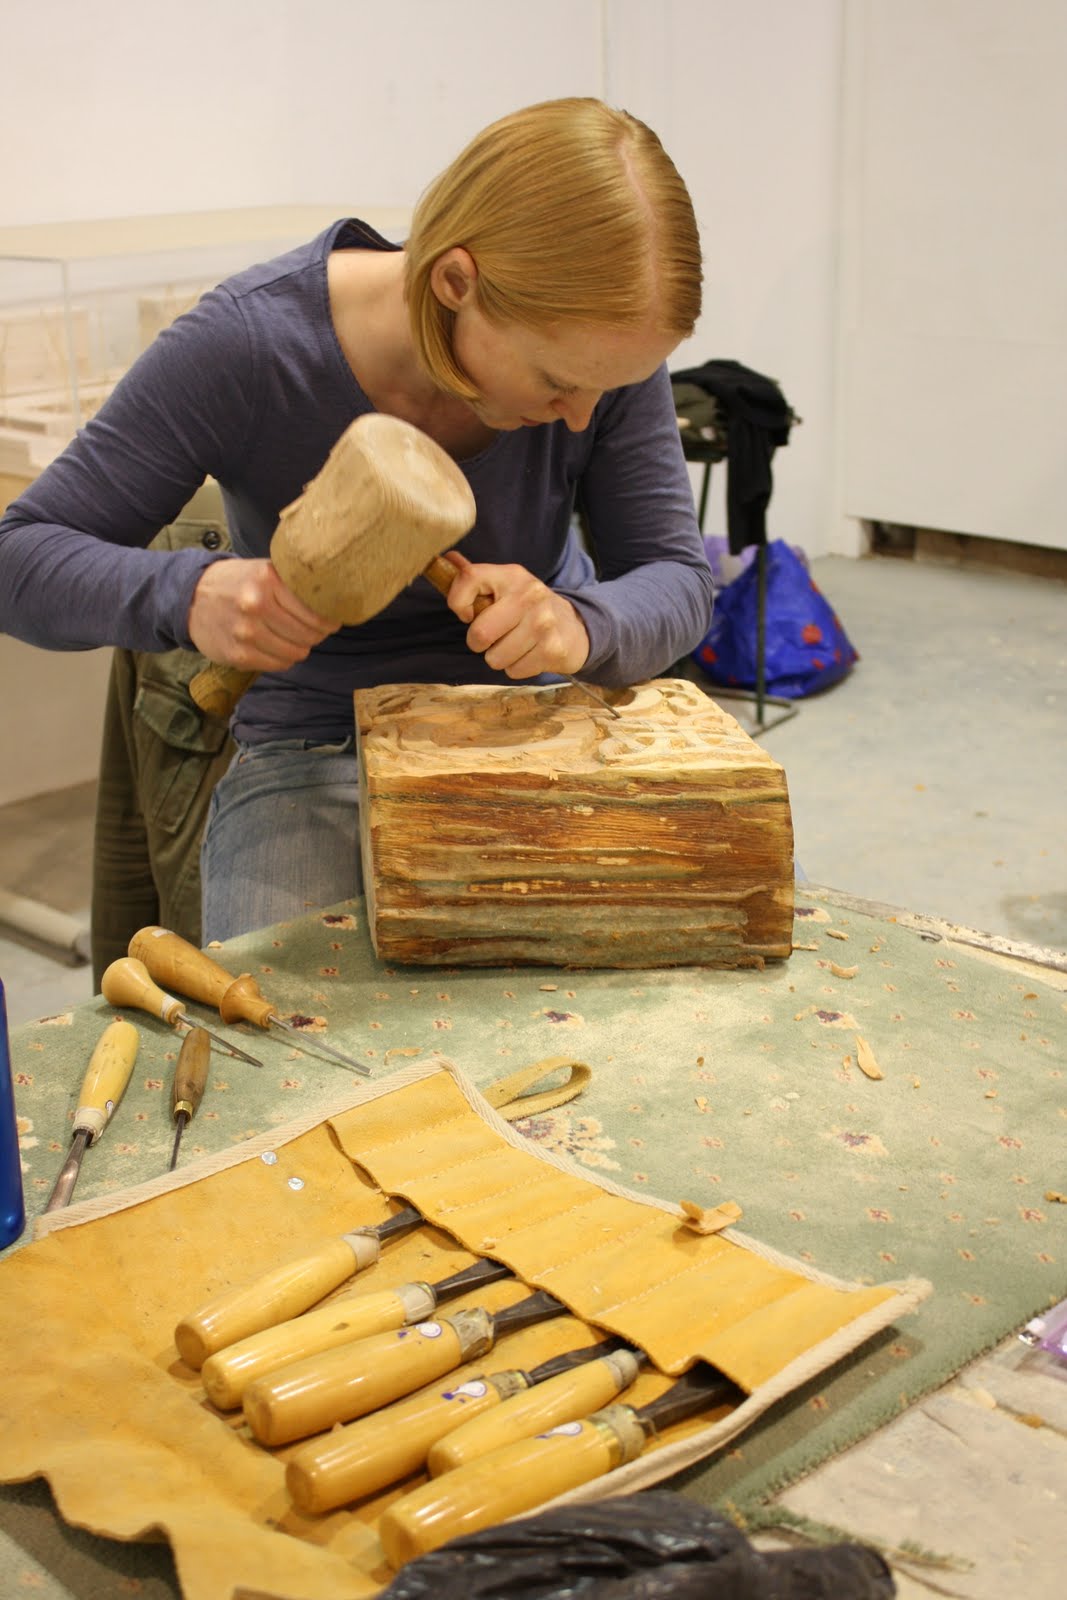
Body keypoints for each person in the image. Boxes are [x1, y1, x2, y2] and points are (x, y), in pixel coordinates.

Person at [0, 97, 713, 944]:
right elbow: (18, 561)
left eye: (608, 386)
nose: (579, 417)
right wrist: (191, 594)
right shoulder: (249, 346)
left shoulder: (597, 361)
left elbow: (679, 579)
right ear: (455, 281)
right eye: (557, 380)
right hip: (318, 744)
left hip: (547, 717)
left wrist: (580, 623)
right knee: (302, 1039)